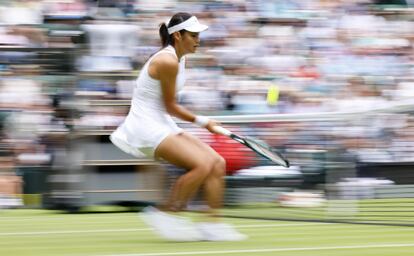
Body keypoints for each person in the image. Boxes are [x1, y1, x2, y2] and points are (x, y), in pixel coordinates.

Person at [110, 12, 246, 241]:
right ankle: (165, 213)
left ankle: (212, 223)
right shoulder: (167, 61)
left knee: (217, 163)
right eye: (192, 35)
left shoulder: (180, 58)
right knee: (202, 164)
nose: (197, 40)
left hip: (161, 121)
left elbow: (167, 107)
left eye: (198, 35)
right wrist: (205, 123)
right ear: (178, 36)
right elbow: (171, 106)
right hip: (146, 125)